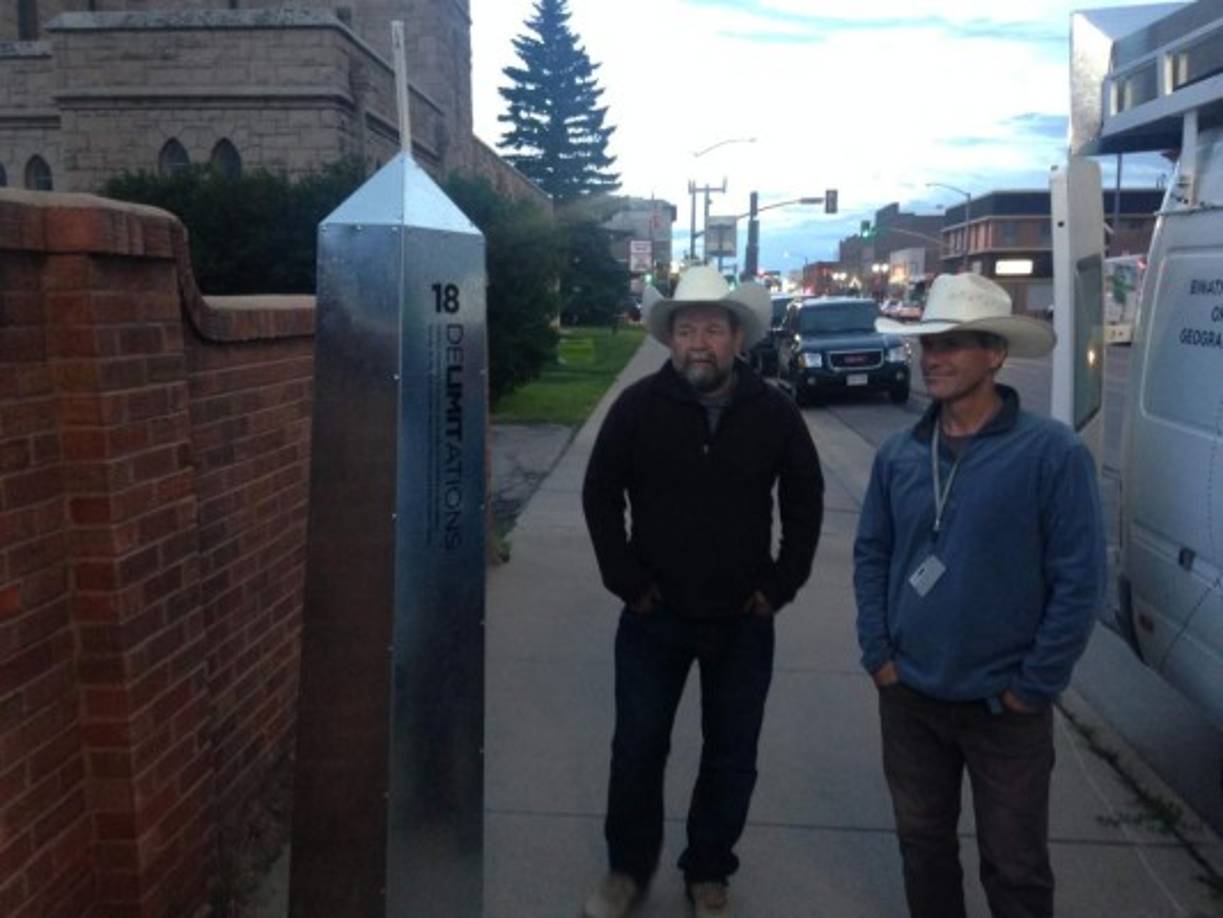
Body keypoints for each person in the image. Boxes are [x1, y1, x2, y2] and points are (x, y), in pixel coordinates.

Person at [854, 272, 1106, 918]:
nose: (932, 358)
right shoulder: (899, 456)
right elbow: (873, 555)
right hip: (909, 697)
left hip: (1004, 708)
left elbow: (1078, 580)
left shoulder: (1049, 454)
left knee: (1015, 867)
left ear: (995, 354)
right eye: (926, 344)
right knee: (922, 847)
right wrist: (878, 654)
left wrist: (1032, 685)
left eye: (953, 344)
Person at [581, 266, 824, 918]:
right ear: (668, 339)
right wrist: (626, 581)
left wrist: (779, 585)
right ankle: (626, 871)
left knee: (731, 756)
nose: (697, 342)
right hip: (652, 617)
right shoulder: (635, 409)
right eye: (685, 329)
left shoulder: (773, 412)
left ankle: (708, 871)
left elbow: (805, 501)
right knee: (636, 750)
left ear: (736, 337)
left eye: (711, 329)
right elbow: (599, 495)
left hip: (742, 621)